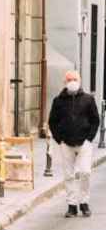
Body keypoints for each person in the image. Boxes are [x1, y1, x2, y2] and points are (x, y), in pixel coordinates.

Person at [47, 70, 100, 217]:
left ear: (79, 81)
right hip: (66, 143)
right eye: (69, 79)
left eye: (74, 79)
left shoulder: (88, 99)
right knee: (68, 175)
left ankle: (84, 202)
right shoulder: (58, 101)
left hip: (84, 143)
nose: (72, 82)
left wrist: (89, 138)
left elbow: (95, 120)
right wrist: (59, 139)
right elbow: (52, 121)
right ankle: (71, 205)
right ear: (65, 82)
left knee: (85, 172)